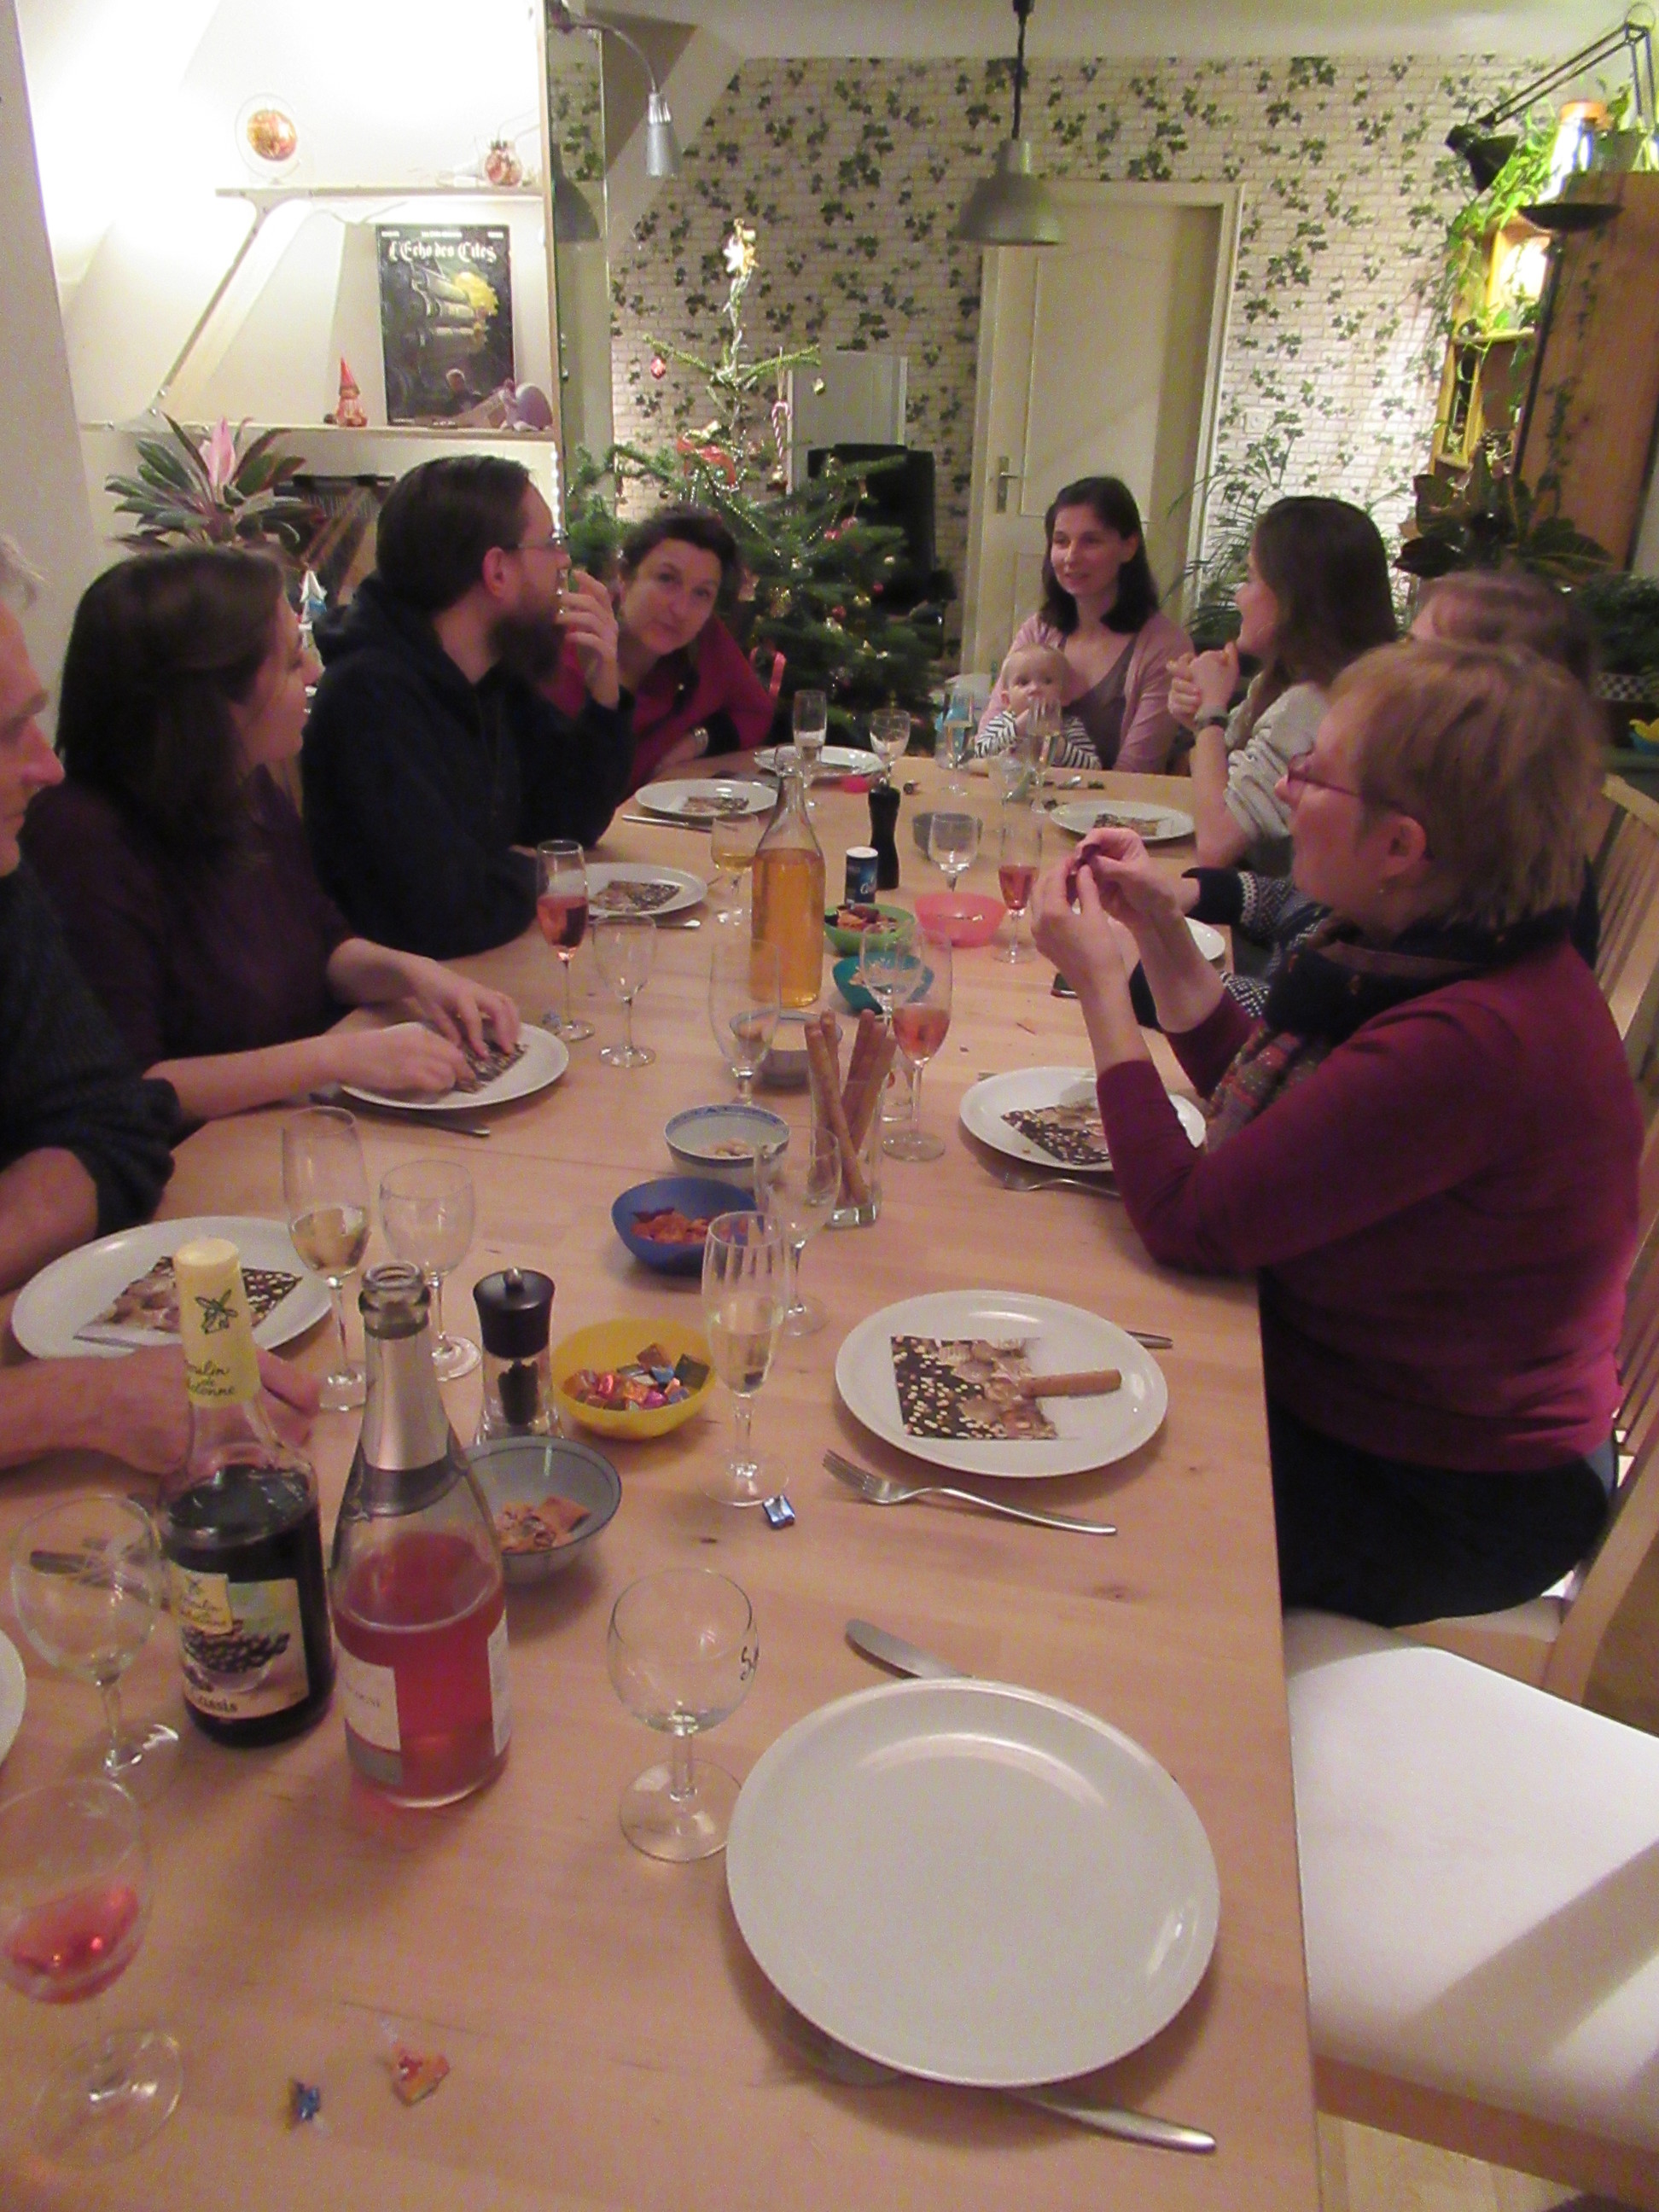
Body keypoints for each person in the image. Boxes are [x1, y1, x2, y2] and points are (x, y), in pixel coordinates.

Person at [1030, 638, 1641, 1629]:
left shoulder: (1474, 1040)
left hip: (1449, 1490)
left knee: (1092, 1528)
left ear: (1401, 846)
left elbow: (1188, 1218)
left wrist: (1101, 984)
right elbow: (1282, 1126)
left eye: (1313, 774)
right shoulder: (1437, 949)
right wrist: (1157, 931)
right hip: (1370, 1396)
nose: (1285, 788)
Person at [24, 550, 520, 1126]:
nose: (313, 672)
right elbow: (132, 1086)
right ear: (208, 699)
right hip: (199, 1164)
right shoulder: (82, 840)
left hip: (289, 1127)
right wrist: (337, 1056)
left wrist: (416, 974)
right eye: (290, 661)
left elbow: (324, 942)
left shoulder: (242, 786)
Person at [1145, 567, 1601, 1018]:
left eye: (1416, 655)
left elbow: (1307, 1026)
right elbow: (1300, 906)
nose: (1386, 666)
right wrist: (1193, 892)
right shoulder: (1449, 819)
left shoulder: (1468, 886)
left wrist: (1150, 980)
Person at [301, 455, 631, 956]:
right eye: (549, 543)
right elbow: (446, 912)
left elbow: (571, 823)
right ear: (497, 571)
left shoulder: (488, 674)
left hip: (481, 970)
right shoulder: (369, 700)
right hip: (415, 994)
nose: (564, 561)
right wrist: (534, 871)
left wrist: (603, 690)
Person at [0, 540, 176, 1295]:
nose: (47, 767)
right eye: (5, 732)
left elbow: (116, 1128)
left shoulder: (6, 886)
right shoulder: (80, 836)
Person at [1170, 496, 1398, 870]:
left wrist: (1211, 713)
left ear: (1295, 596)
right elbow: (1221, 787)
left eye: (1251, 578)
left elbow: (1216, 843)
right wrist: (1200, 722)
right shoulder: (1287, 681)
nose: (1239, 596)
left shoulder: (1312, 704)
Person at [544, 506, 776, 789]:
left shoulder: (705, 641)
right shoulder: (570, 651)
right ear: (624, 577)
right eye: (666, 579)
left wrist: (694, 743)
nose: (681, 609)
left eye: (702, 593)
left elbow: (755, 712)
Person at [975, 477, 1189, 772]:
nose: (1071, 557)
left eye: (1091, 541)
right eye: (1061, 541)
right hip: (1025, 793)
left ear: (1128, 547)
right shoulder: (1038, 630)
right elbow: (987, 744)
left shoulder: (1164, 646)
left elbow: (1134, 773)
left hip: (1115, 800)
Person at [974, 642, 1095, 768]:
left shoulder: (1069, 726)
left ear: (1064, 696)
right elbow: (979, 755)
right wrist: (1017, 729)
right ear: (1007, 700)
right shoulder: (1003, 723)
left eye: (1047, 681)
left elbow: (1093, 766)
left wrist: (1056, 745)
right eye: (1024, 682)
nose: (1035, 688)